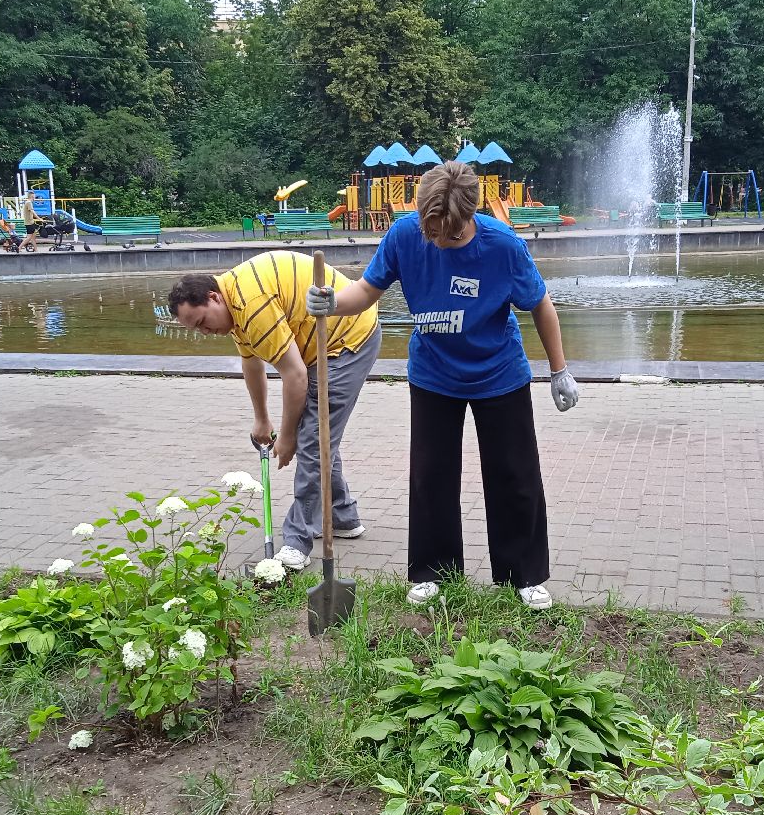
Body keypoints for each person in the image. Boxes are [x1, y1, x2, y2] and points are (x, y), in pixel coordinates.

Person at [307, 161, 578, 610]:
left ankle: (523, 575)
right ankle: (433, 570)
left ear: (470, 217)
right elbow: (366, 291)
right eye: (430, 231)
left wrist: (558, 369)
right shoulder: (404, 235)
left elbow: (541, 305)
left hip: (499, 374)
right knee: (431, 475)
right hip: (434, 375)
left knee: (515, 475)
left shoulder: (502, 245)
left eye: (448, 235)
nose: (436, 242)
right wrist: (332, 301)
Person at [167, 251, 382, 570]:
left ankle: (298, 541)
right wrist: (262, 420)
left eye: (201, 323)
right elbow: (251, 361)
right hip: (324, 343)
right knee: (319, 436)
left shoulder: (251, 304)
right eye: (196, 330)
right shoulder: (234, 304)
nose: (205, 333)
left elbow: (294, 376)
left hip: (347, 340)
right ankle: (343, 517)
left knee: (312, 440)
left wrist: (289, 437)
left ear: (213, 298)